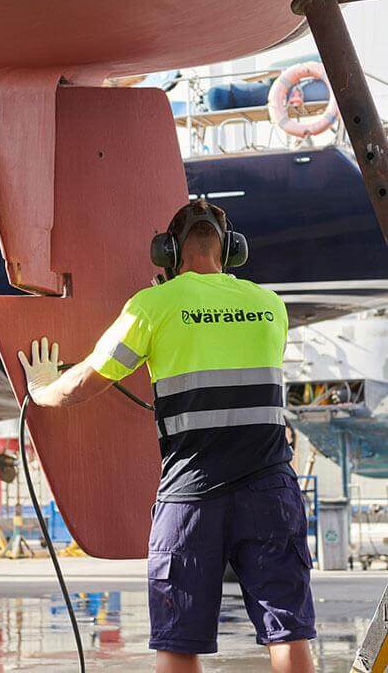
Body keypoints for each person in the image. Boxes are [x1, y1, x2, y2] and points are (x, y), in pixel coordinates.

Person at [18, 200, 316, 673]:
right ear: (232, 249)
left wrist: (40, 390)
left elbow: (83, 383)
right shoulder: (269, 305)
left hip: (192, 494)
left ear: (167, 252)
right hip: (269, 489)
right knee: (288, 630)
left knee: (178, 642)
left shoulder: (152, 306)